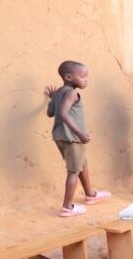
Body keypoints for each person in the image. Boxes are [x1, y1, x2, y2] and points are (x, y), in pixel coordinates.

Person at [45, 61, 110, 217]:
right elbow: (62, 113)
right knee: (73, 171)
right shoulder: (71, 93)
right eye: (83, 76)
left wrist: (53, 98)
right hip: (72, 138)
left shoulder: (59, 92)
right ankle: (67, 207)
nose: (86, 80)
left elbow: (50, 113)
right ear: (68, 77)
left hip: (60, 137)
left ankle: (90, 194)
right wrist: (80, 133)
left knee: (82, 163)